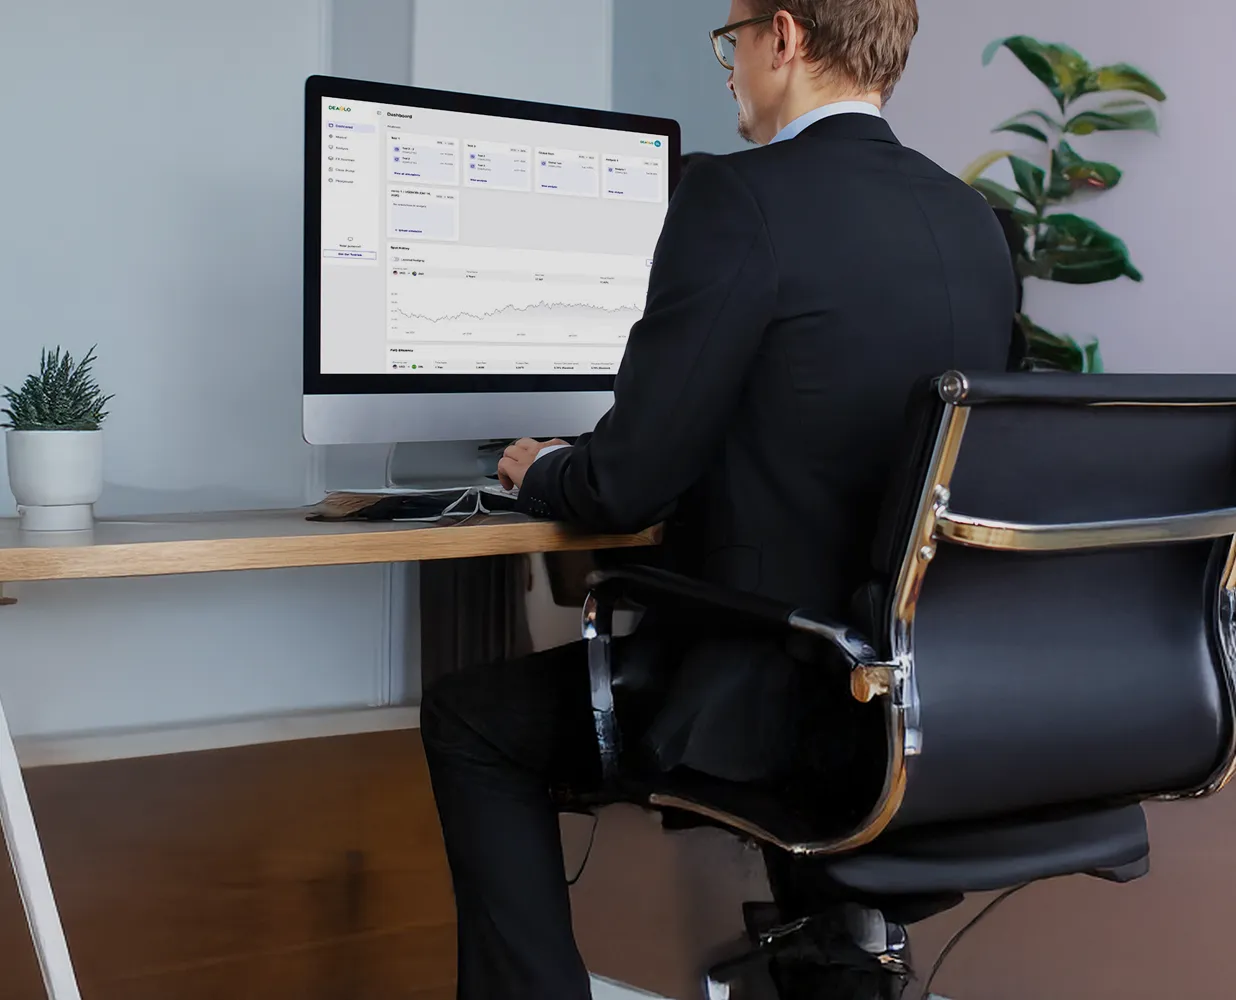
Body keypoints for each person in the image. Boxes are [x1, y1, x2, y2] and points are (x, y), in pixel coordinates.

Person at [421, 1, 1017, 996]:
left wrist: (541, 467)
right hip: (920, 699)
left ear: (783, 36)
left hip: (784, 693)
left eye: (730, 39)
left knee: (471, 718)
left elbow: (627, 483)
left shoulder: (737, 197)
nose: (728, 65)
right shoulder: (971, 221)